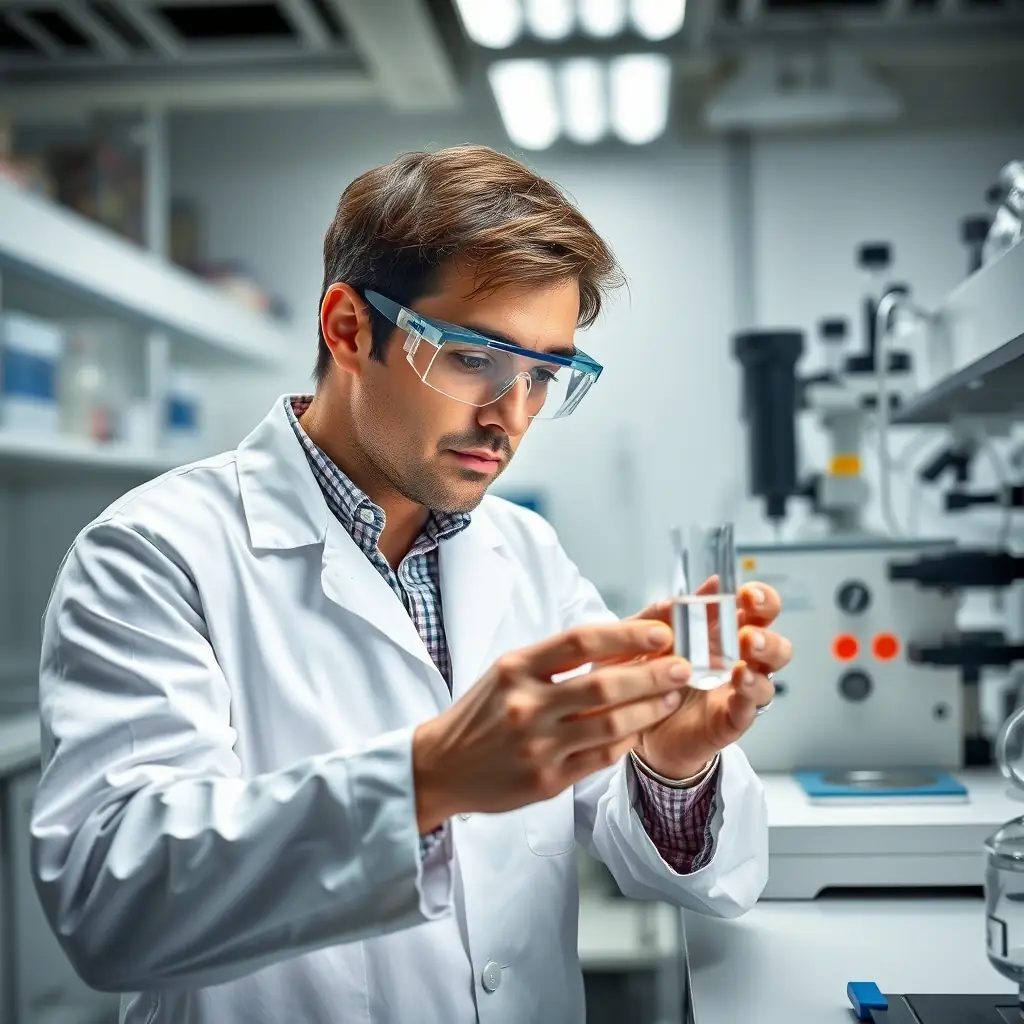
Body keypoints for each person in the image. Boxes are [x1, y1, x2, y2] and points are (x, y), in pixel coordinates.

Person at [31, 145, 792, 1024]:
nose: (510, 415)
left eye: (544, 375)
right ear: (349, 328)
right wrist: (425, 780)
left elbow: (646, 850)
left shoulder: (526, 553)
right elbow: (111, 904)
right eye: (474, 358)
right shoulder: (153, 554)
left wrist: (675, 760)